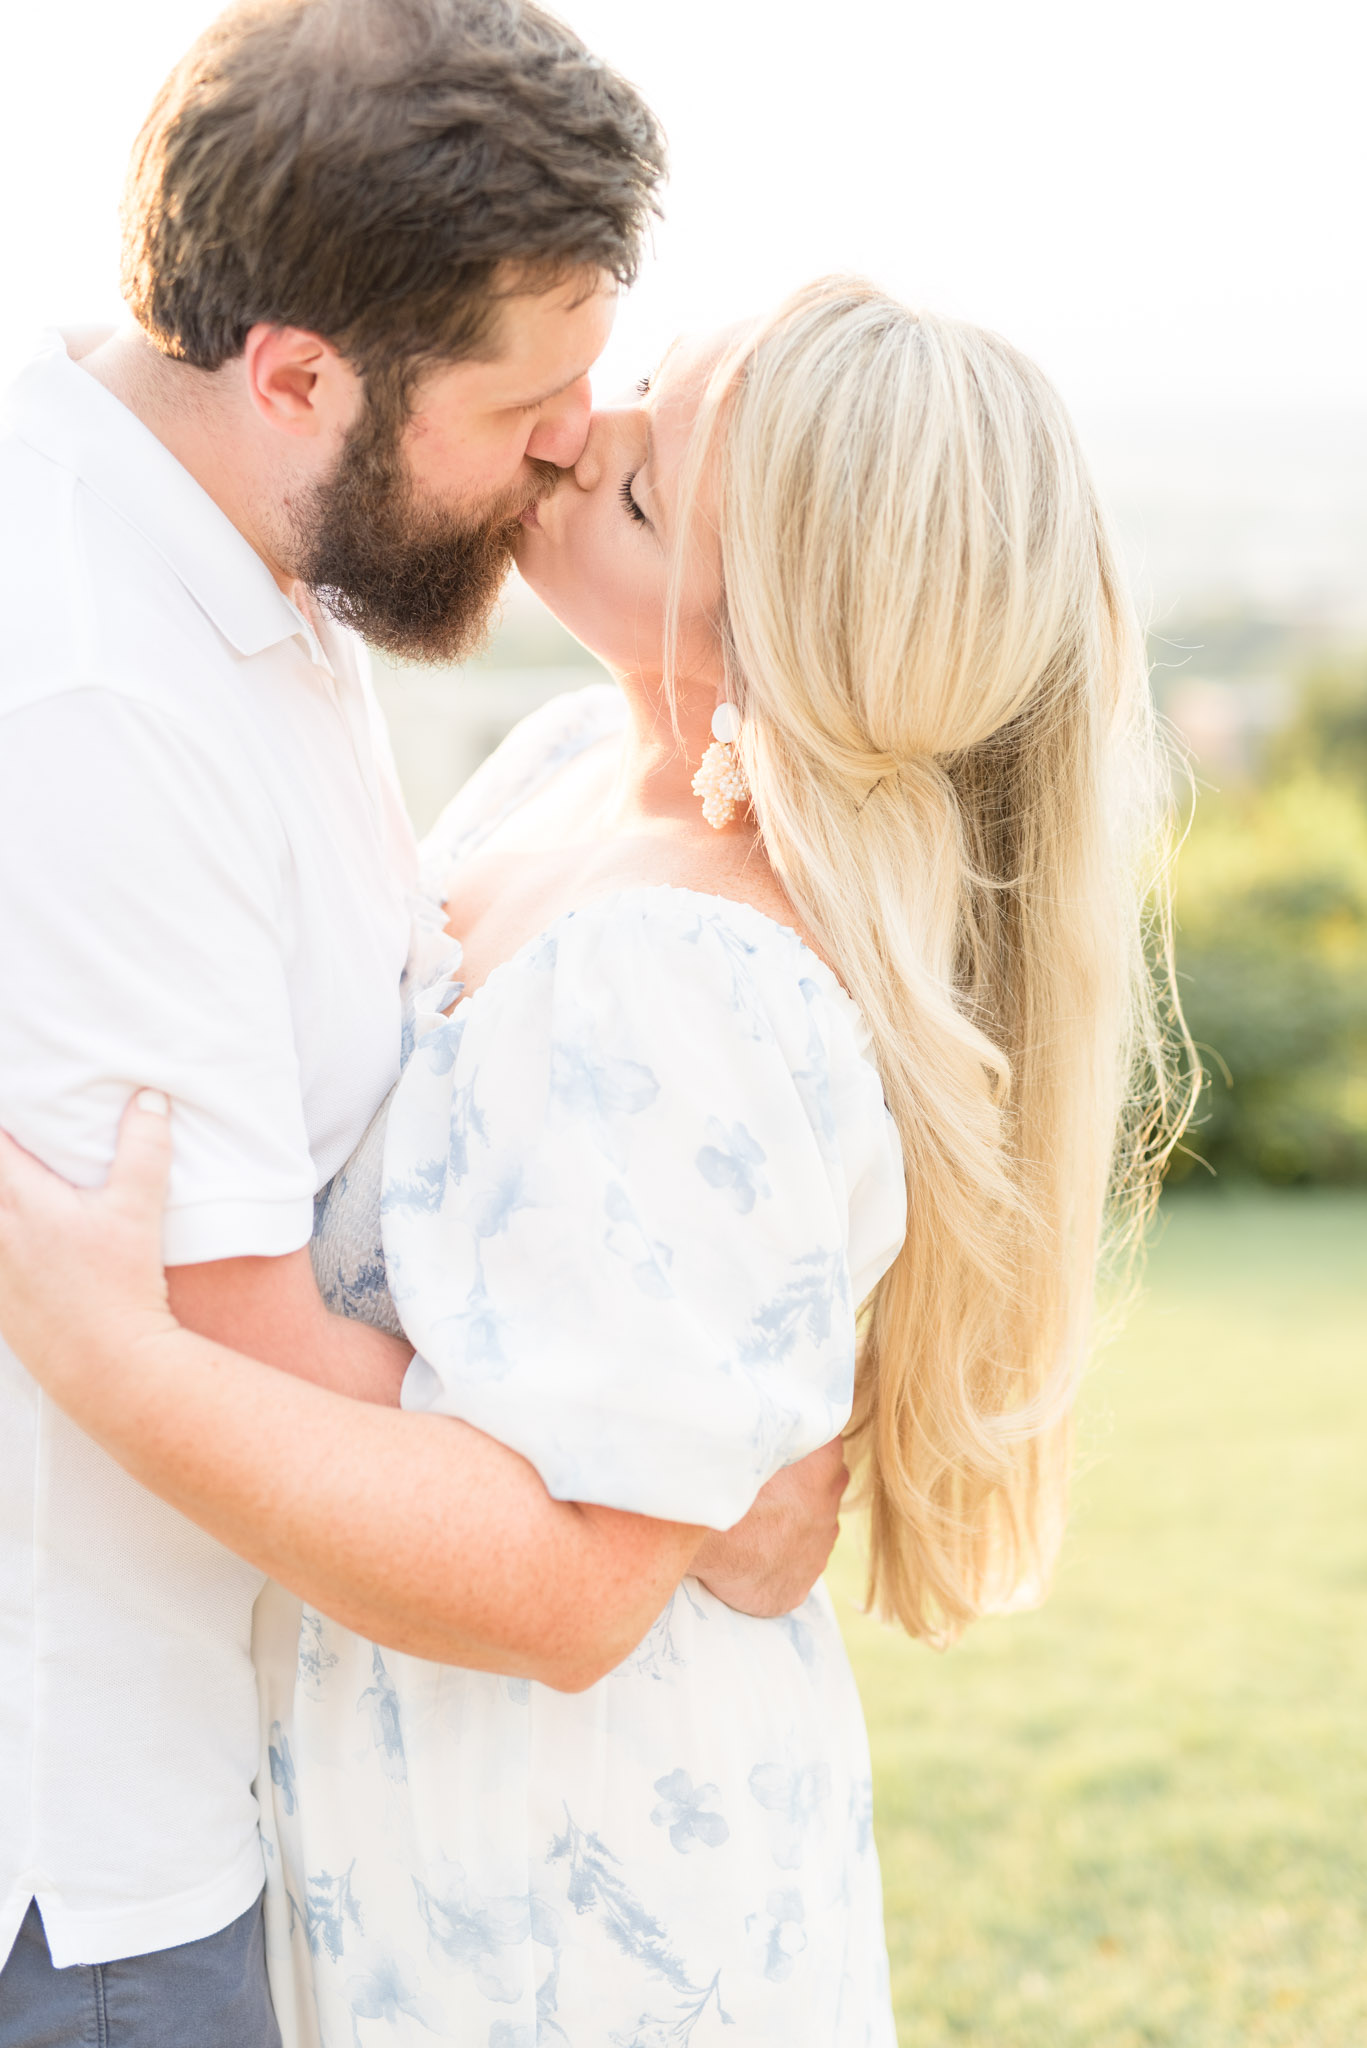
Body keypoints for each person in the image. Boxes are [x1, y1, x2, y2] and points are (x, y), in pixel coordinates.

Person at [0, 278, 1194, 2043]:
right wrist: (704, 1461)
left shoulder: (688, 976)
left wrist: (115, 1353)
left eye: (641, 488)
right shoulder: (573, 761)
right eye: (633, 396)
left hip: (554, 1874)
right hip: (420, 1774)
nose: (573, 438)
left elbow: (562, 1588)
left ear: (765, 650)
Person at [0, 7, 838, 2044]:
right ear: (297, 373)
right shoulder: (100, 700)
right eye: (530, 399)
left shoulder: (257, 545)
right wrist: (668, 1464)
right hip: (98, 1862)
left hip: (226, 1783)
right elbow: (219, 1335)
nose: (573, 442)